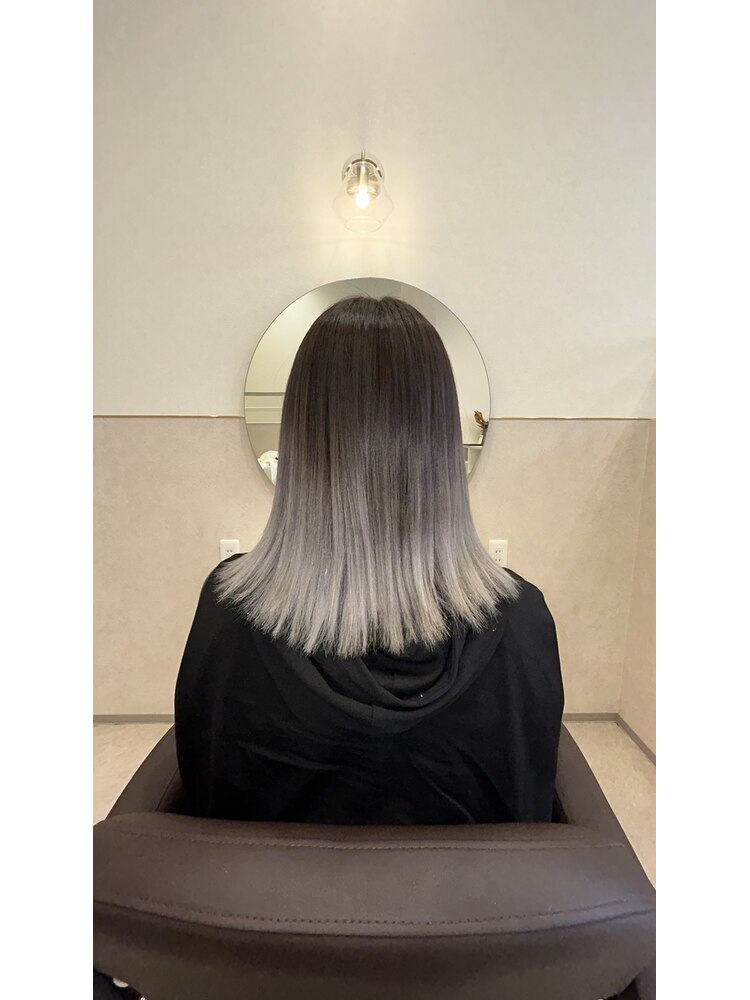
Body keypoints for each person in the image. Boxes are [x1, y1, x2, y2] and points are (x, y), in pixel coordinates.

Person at [174, 296, 564, 825]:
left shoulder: (228, 617)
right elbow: (533, 806)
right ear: (441, 440)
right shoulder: (523, 623)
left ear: (300, 437)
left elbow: (202, 797)